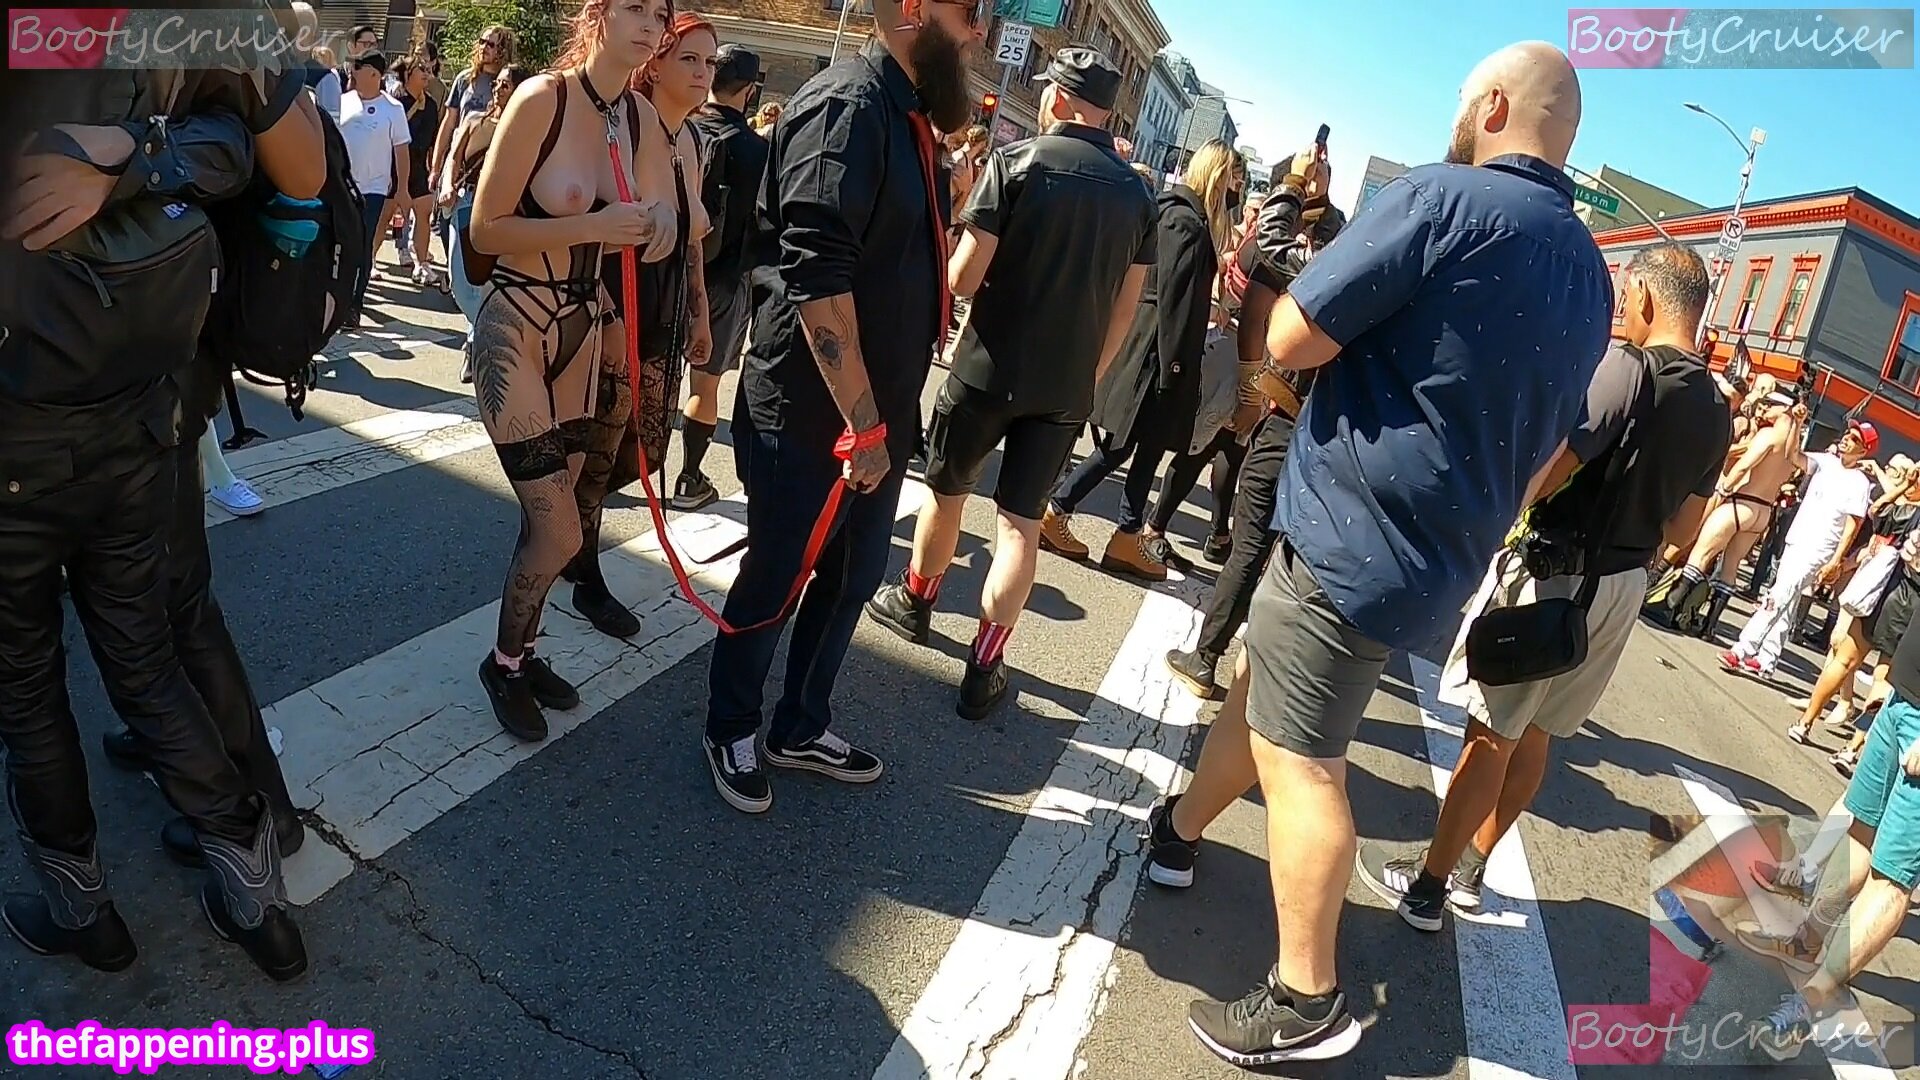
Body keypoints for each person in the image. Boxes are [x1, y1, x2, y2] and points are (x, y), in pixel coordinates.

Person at [1166, 43, 1608, 1065]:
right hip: (1441, 553)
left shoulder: (1442, 199)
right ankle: (1178, 830)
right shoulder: (1592, 272)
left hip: (1348, 528)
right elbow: (1553, 444)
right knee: (1270, 697)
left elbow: (1293, 337)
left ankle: (1305, 994)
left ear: (1492, 106)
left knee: (1302, 761)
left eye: (1463, 100)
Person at [0, 7, 325, 980]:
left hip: (50, 409)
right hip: (136, 400)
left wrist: (128, 152)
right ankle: (259, 903)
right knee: (143, 659)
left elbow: (259, 151)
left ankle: (85, 912)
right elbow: (235, 144)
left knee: (29, 684)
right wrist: (139, 148)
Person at [1353, 243, 1729, 933]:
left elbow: (1557, 463)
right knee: (1539, 734)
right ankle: (1471, 867)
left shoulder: (1629, 368)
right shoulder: (1716, 406)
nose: (1623, 311)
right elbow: (1685, 528)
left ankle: (1428, 887)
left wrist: (1498, 519)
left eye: (1626, 299)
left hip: (1557, 573)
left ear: (1647, 297)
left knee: (1492, 731)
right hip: (1622, 587)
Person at [703, 0, 984, 814]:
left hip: (875, 414)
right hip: (813, 412)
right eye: (968, 11)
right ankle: (731, 724)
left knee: (853, 575)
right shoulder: (848, 105)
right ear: (913, 9)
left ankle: (800, 725)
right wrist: (861, 422)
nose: (976, 32)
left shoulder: (905, 114)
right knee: (779, 574)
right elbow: (817, 277)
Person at [865, 46, 1157, 719]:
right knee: (1020, 526)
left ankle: (915, 601)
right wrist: (1089, 374)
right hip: (1065, 386)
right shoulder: (1138, 194)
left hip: (987, 365)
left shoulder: (1018, 162)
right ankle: (985, 663)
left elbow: (964, 277)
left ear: (1060, 99)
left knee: (946, 493)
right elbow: (1126, 307)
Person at [467, 0, 678, 741]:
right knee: (557, 530)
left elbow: (659, 218)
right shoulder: (542, 100)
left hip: (588, 332)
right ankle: (503, 664)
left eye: (660, 13)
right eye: (634, 7)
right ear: (598, 15)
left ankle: (520, 654)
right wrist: (595, 224)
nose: (650, 24)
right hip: (517, 326)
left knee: (560, 517)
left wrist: (662, 217)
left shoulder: (641, 119)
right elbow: (484, 229)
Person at [1161, 162, 1345, 699]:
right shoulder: (1376, 289)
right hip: (1326, 438)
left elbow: (1272, 244)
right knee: (1282, 555)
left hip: (1288, 420)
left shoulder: (1329, 274)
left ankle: (1207, 655)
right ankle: (1257, 667)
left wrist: (1295, 186)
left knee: (1251, 545)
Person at [561, 10, 717, 640]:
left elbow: (693, 239)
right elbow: (596, 228)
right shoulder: (626, 124)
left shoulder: (694, 139)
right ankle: (580, 566)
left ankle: (566, 535)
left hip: (665, 304)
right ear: (656, 64)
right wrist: (605, 315)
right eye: (690, 59)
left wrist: (699, 310)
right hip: (616, 298)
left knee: (643, 446)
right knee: (601, 445)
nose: (704, 73)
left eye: (710, 62)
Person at [1738, 554, 1920, 1061]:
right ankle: (1805, 941)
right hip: (1903, 700)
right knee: (1860, 833)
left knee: (1892, 878)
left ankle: (1804, 1009)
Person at [1040, 140, 1240, 581]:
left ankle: (1122, 533)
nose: (1233, 189)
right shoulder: (1186, 221)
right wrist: (1176, 366)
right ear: (1215, 176)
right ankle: (1064, 513)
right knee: (1124, 444)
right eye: (1230, 179)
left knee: (1139, 446)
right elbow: (1173, 300)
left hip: (1153, 348)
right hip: (1158, 355)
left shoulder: (1175, 214)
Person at [670, 41, 770, 510]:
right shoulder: (759, 152)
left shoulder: (680, 131)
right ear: (749, 91)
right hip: (726, 279)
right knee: (705, 384)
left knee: (650, 374)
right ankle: (689, 479)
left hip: (668, 270)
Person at [1719, 420, 1877, 680]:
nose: (1847, 439)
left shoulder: (1859, 483)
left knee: (1778, 595)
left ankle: (1742, 649)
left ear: (1863, 451)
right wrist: (1798, 423)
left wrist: (1836, 560)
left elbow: (1853, 526)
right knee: (1788, 597)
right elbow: (1794, 455)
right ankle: (1767, 659)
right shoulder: (1826, 461)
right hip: (1797, 539)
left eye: (1855, 439)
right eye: (1848, 434)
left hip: (1819, 548)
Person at [1649, 390, 1798, 628]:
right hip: (1763, 511)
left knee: (1700, 554)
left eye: (1771, 404)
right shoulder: (1793, 448)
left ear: (1784, 410)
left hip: (1741, 502)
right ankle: (1709, 626)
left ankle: (1668, 607)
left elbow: (1743, 466)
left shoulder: (1769, 436)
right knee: (1731, 566)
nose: (1766, 408)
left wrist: (1724, 489)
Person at [443, 65, 531, 381]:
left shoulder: (524, 129)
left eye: (505, 85)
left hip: (501, 208)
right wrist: (446, 184)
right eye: (497, 83)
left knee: (487, 280)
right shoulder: (474, 120)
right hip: (466, 201)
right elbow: (454, 157)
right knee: (459, 280)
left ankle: (475, 343)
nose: (497, 89)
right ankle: (481, 331)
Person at [338, 51, 411, 327]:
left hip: (373, 189)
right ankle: (333, 300)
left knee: (362, 244)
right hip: (342, 186)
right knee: (339, 243)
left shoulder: (393, 109)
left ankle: (353, 305)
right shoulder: (342, 101)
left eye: (357, 66)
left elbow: (401, 151)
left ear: (374, 74)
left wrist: (403, 189)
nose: (352, 70)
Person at [431, 25, 516, 199]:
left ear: (502, 50)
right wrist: (435, 167)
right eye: (482, 42)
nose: (484, 47)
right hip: (457, 159)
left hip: (489, 161)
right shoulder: (464, 79)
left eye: (491, 44)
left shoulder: (506, 84)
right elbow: (448, 123)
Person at [391, 55, 444, 286]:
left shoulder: (430, 104)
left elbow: (433, 138)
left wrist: (434, 167)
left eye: (427, 69)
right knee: (389, 215)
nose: (426, 73)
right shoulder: (396, 102)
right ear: (408, 74)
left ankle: (422, 264)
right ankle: (371, 258)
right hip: (394, 166)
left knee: (424, 212)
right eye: (420, 69)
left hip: (419, 166)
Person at [289, 2, 342, 116]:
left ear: (309, 36)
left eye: (290, 30)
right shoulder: (274, 72)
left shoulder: (324, 79)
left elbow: (332, 123)